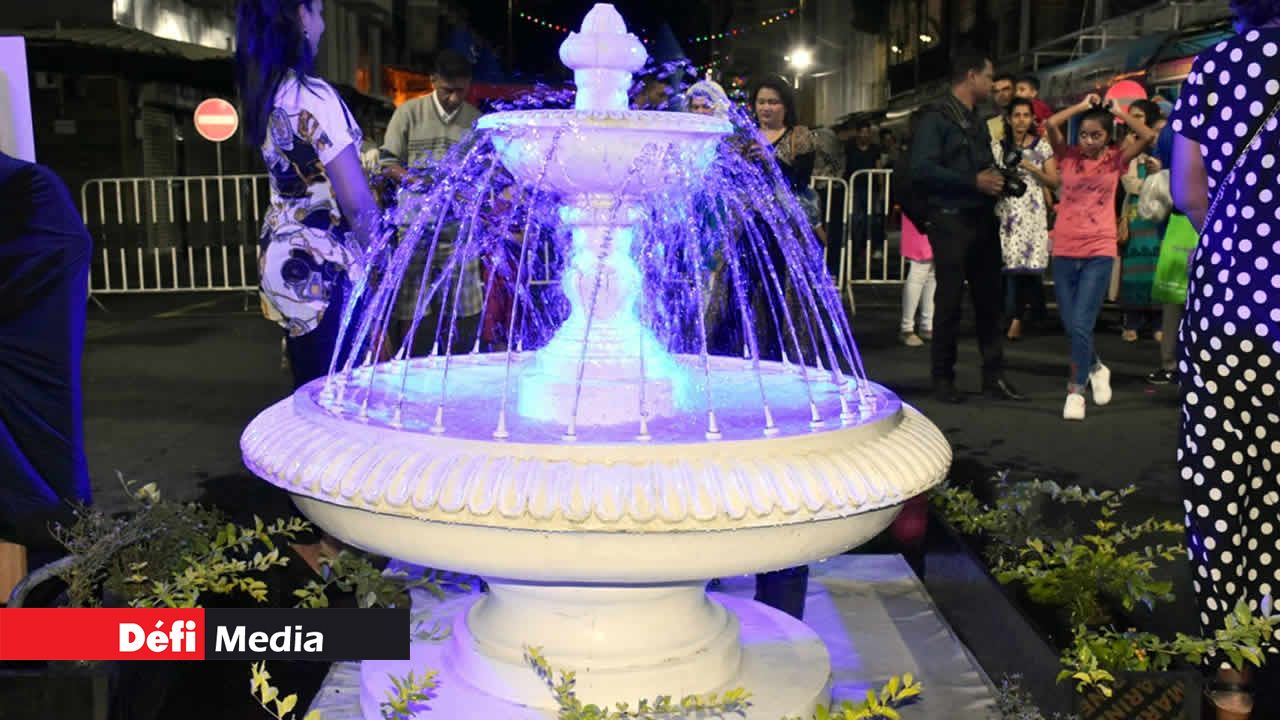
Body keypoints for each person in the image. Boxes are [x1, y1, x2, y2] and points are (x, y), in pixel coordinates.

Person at [1169, 4, 1280, 716]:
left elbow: (1187, 191)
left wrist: (1241, 244)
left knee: (1221, 481)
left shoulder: (1213, 67)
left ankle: (1232, 673)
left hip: (1229, 303)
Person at [236, 0, 380, 390]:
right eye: (319, 13)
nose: (324, 26)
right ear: (299, 17)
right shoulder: (313, 96)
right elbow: (355, 202)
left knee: (309, 390)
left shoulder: (268, 94)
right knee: (339, 403)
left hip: (283, 263)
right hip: (324, 268)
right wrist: (385, 260)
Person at [0, 151, 93, 601]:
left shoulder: (29, 193)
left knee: (41, 441)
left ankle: (45, 613)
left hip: (37, 257)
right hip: (40, 243)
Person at [909, 46, 1026, 403]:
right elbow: (922, 168)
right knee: (948, 303)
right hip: (950, 220)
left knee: (990, 302)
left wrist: (997, 179)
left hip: (981, 219)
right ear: (971, 76)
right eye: (989, 76)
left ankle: (994, 376)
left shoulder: (977, 118)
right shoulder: (936, 118)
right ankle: (942, 378)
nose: (993, 84)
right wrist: (972, 181)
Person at [1044, 93, 1155, 420]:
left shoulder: (1115, 159)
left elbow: (1148, 136)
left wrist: (1119, 111)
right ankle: (1094, 366)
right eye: (1084, 134)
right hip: (1064, 248)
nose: (1089, 141)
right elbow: (1051, 123)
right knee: (1071, 324)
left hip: (1099, 249)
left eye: (1097, 135)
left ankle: (1076, 392)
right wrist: (1082, 107)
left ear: (1109, 137)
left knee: (1081, 322)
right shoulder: (1067, 156)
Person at [380, 49, 483, 357]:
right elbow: (387, 162)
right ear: (433, 81)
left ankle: (460, 369)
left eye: (460, 91)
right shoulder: (408, 113)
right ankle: (412, 367)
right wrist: (420, 184)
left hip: (458, 229)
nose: (453, 98)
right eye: (447, 90)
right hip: (415, 226)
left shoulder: (474, 120)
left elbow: (480, 170)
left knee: (465, 309)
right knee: (412, 310)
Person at [994, 97, 1058, 341]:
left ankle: (1017, 318)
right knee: (1006, 267)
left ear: (1032, 119)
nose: (1021, 120)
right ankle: (1010, 316)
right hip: (1006, 211)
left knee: (1025, 269)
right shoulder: (998, 146)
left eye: (1025, 115)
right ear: (1009, 119)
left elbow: (1054, 181)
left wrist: (1033, 169)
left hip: (1031, 213)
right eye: (1016, 115)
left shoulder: (1042, 147)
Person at [1117, 99, 1166, 342]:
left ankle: (1158, 322)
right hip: (1136, 215)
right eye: (1130, 115)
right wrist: (1154, 184)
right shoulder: (1129, 146)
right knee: (1133, 270)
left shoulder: (1163, 147)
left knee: (1156, 269)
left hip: (1158, 215)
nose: (1133, 121)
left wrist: (1156, 182)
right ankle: (1132, 321)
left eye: (1139, 116)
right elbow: (1128, 182)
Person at [986, 72, 1016, 142]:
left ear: (1015, 90)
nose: (1001, 94)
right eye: (996, 91)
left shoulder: (1033, 118)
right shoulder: (988, 126)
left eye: (1006, 89)